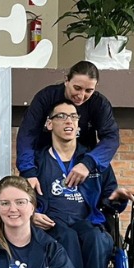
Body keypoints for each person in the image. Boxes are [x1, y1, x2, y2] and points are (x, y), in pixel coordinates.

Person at [31, 101, 134, 268]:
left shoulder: (93, 160)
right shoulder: (37, 161)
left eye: (73, 117)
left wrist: (116, 199)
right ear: (49, 124)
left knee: (96, 237)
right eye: (61, 116)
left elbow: (108, 198)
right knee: (66, 236)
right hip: (52, 223)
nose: (68, 121)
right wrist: (32, 214)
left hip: (87, 221)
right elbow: (24, 197)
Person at [15, 61, 119, 195]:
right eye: (77, 88)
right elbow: (27, 135)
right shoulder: (46, 97)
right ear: (66, 81)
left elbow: (111, 138)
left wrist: (89, 163)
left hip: (82, 164)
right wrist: (28, 171)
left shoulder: (99, 104)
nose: (81, 96)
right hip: (44, 165)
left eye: (89, 90)